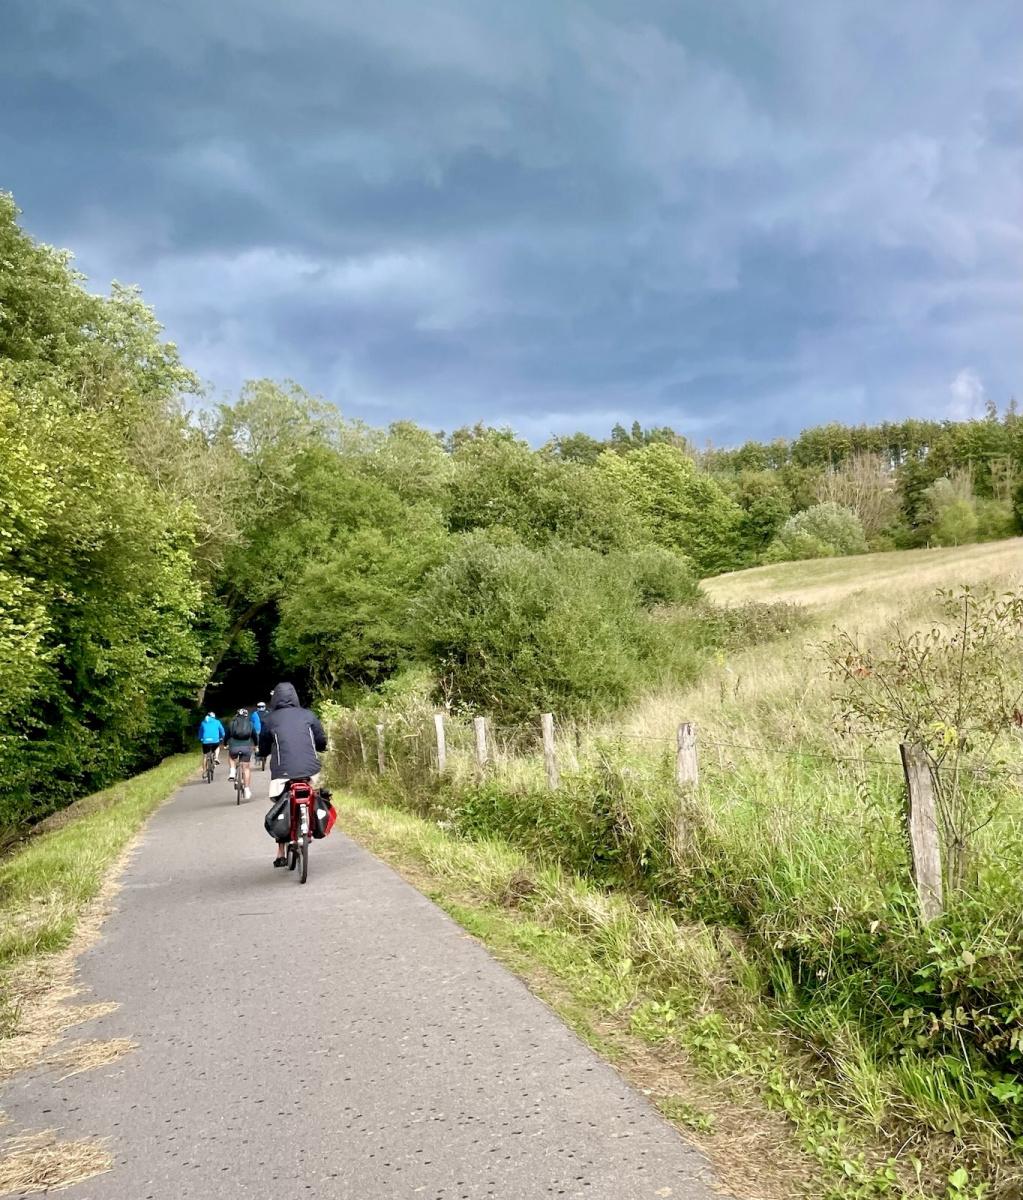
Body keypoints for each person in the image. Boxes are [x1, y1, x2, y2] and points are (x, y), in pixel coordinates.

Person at [258, 683, 327, 868]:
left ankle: (281, 852)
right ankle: (309, 824)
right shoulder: (308, 715)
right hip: (311, 769)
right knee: (313, 792)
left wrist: (262, 753)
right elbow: (321, 740)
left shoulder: (269, 719)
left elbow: (263, 746)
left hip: (283, 772)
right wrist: (321, 748)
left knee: (281, 804)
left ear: (275, 699)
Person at [226, 707, 258, 800]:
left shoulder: (232, 724)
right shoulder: (250, 724)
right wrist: (256, 745)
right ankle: (247, 789)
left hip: (234, 746)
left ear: (236, 715)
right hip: (246, 747)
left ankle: (232, 771)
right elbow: (255, 736)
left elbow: (227, 735)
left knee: (231, 757)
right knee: (246, 768)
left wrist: (225, 744)